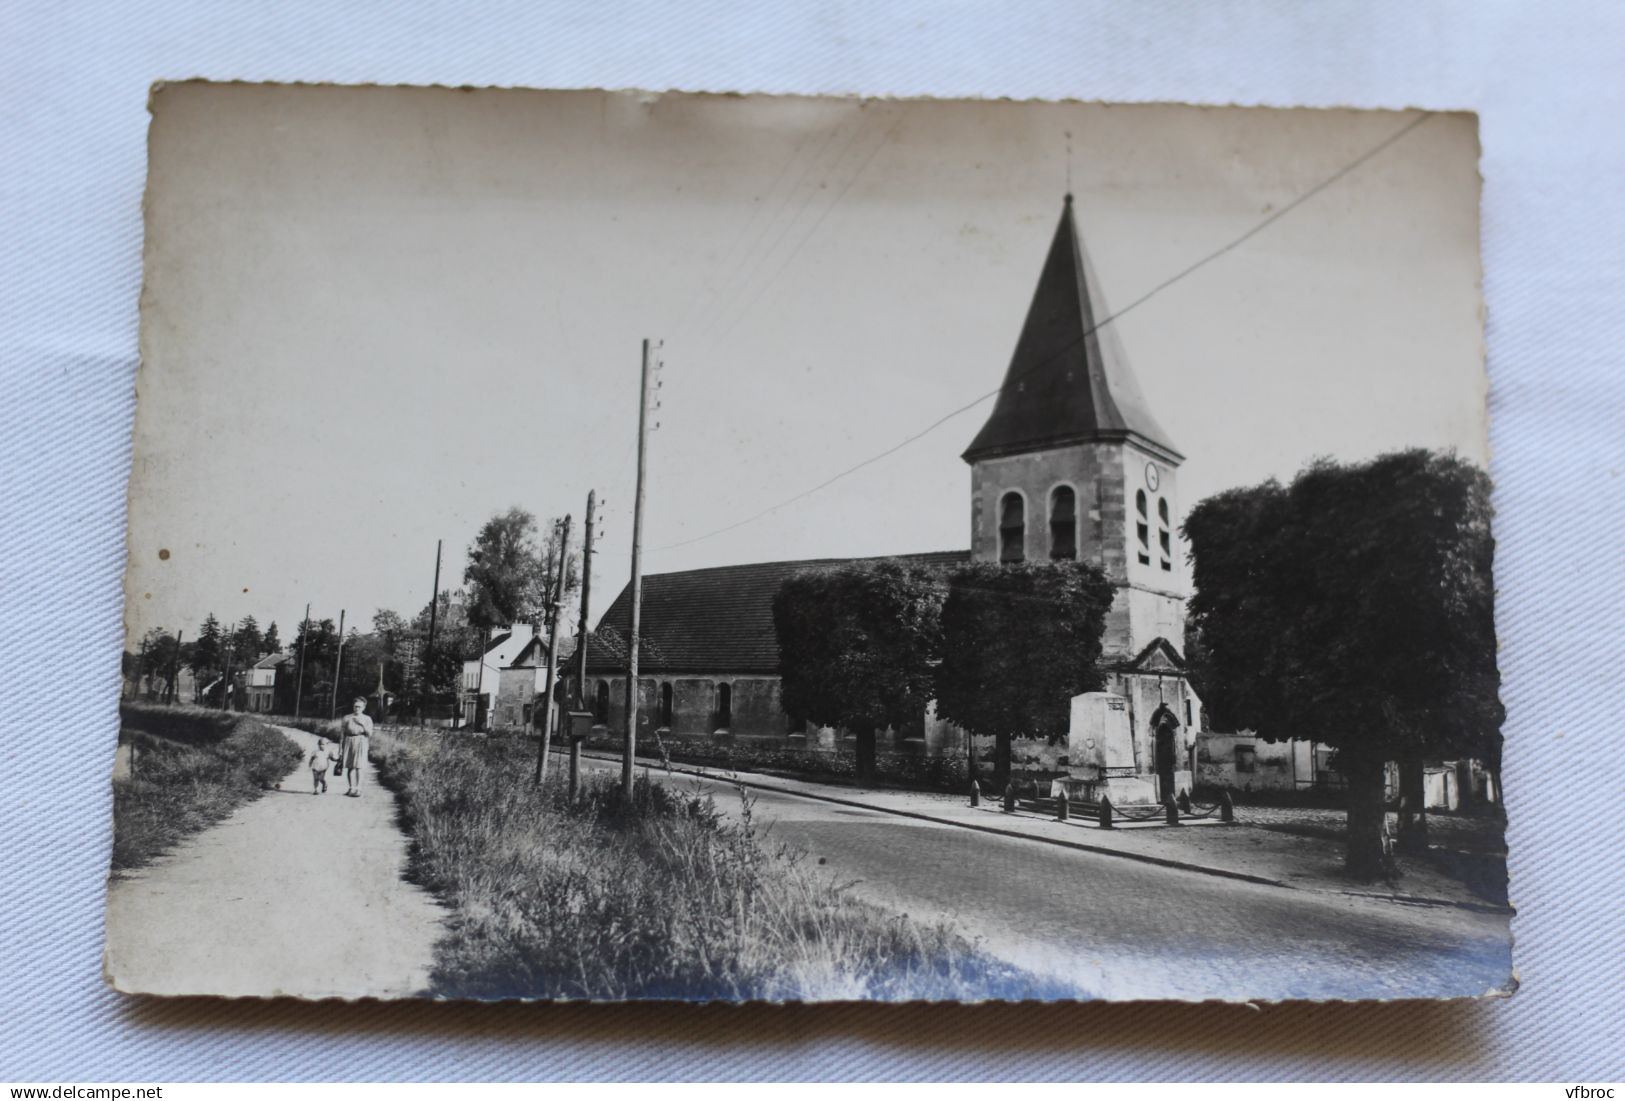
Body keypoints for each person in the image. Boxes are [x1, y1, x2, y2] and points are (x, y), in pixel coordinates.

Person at [338, 697, 373, 797]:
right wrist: (340, 749)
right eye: (355, 706)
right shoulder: (347, 718)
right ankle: (351, 788)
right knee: (350, 766)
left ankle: (358, 789)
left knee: (359, 766)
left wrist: (362, 725)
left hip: (361, 741)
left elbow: (369, 734)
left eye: (359, 707)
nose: (357, 708)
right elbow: (342, 734)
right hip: (349, 740)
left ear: (364, 708)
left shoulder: (367, 719)